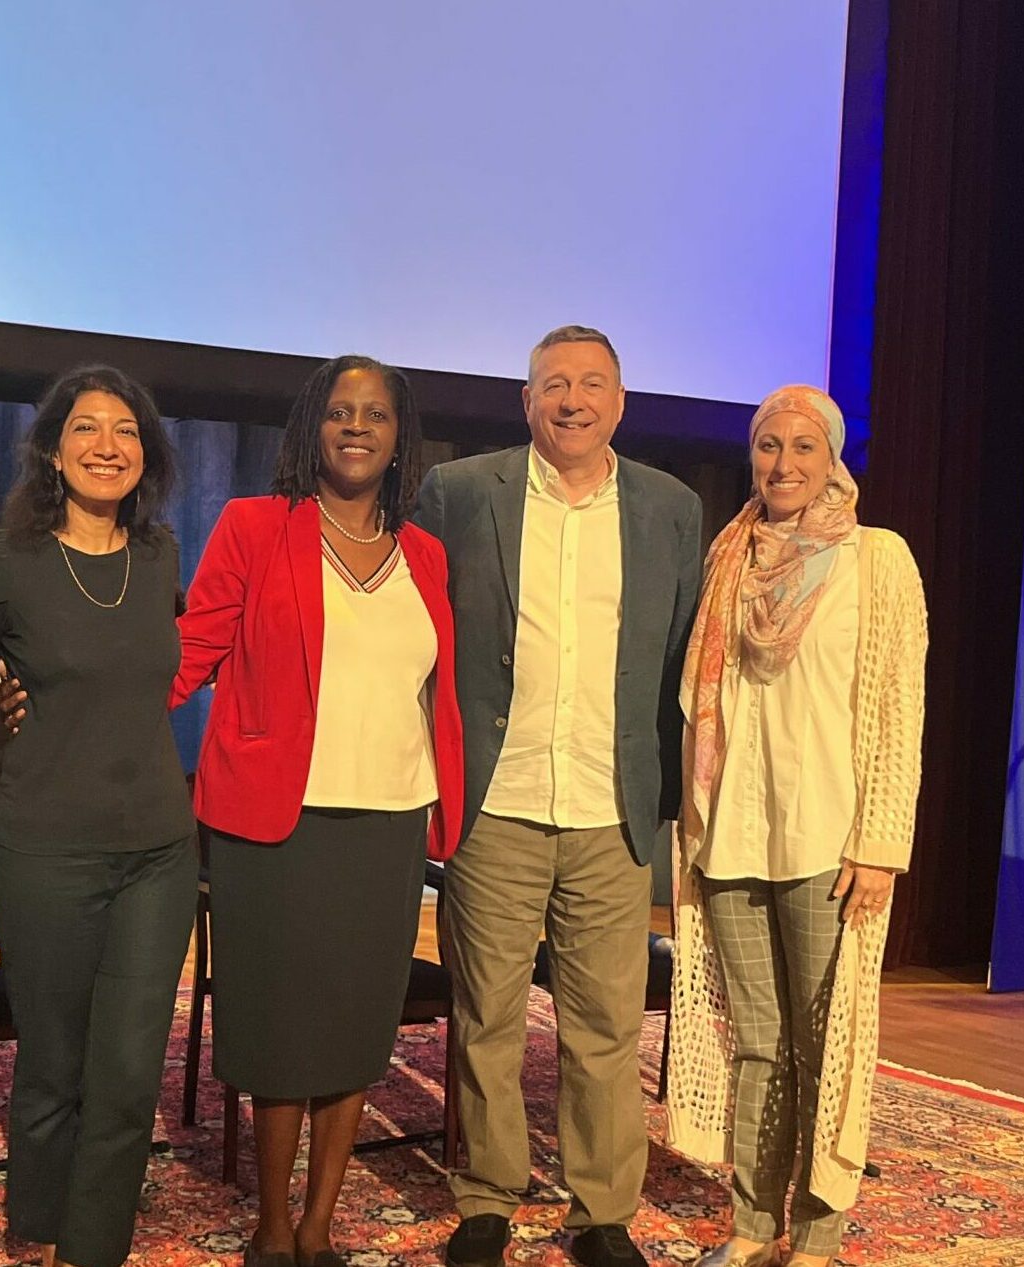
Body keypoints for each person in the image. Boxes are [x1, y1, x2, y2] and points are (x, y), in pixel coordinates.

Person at [414, 325, 704, 1267]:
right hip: (496, 800)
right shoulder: (460, 494)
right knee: (486, 1011)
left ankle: (601, 1210)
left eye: (591, 384)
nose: (572, 400)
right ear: (525, 401)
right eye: (553, 385)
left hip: (611, 804)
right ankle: (489, 1195)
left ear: (620, 402)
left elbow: (680, 660)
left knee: (605, 1024)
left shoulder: (671, 507)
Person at [174, 354, 467, 1267]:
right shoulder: (255, 526)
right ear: (313, 427)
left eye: (375, 413)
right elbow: (194, 645)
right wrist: (87, 706)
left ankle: (318, 1226)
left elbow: (434, 689)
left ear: (398, 436)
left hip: (386, 824)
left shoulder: (425, 554)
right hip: (277, 823)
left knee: (353, 1029)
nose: (355, 426)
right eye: (339, 411)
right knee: (278, 1031)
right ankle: (269, 1226)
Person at [664, 385, 927, 1267]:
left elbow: (899, 709)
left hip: (830, 841)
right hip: (734, 831)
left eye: (802, 448)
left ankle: (816, 1234)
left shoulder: (877, 561)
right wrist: (695, 827)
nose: (783, 464)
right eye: (768, 446)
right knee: (757, 1043)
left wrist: (882, 843)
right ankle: (748, 1225)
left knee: (823, 1046)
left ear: (833, 459)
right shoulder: (730, 556)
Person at [0, 366, 196, 1267]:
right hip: (45, 850)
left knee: (130, 1070)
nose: (108, 446)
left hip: (158, 849)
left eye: (126, 431)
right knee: (54, 1065)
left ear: (146, 454)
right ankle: (37, 1225)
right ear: (53, 450)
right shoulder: (11, 559)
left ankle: (92, 1247)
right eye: (86, 430)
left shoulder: (161, 555)